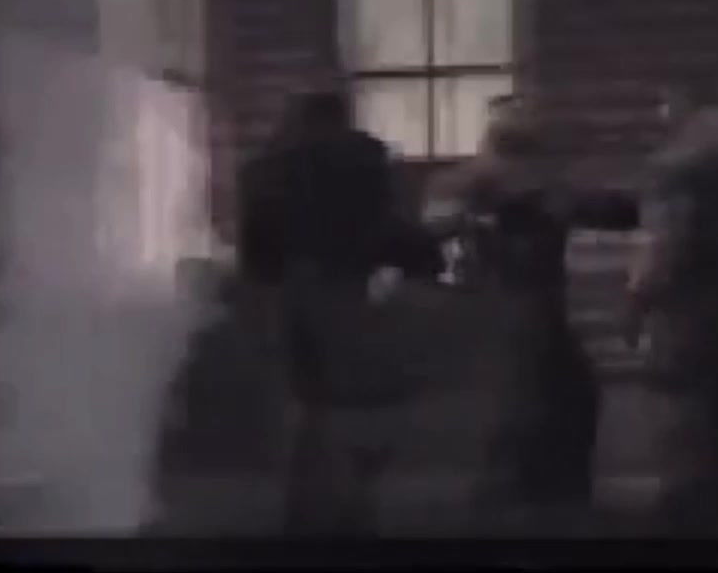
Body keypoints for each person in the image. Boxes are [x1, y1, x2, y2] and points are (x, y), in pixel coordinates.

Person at [423, 95, 640, 533]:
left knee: (570, 396)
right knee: (525, 401)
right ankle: (511, 499)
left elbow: (614, 210)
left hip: (538, 301)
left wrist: (557, 203)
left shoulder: (544, 183)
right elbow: (435, 225)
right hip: (499, 300)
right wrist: (480, 217)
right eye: (515, 116)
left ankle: (552, 496)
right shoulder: (471, 181)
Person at [236, 90, 441, 536]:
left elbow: (256, 247)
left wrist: (262, 284)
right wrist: (420, 260)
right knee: (349, 405)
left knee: (311, 405)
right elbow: (390, 227)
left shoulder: (270, 168)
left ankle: (312, 512)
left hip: (290, 291)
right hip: (349, 288)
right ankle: (348, 510)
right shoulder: (366, 161)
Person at [625, 84, 718, 534]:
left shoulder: (677, 168)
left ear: (677, 110)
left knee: (677, 395)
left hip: (685, 306)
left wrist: (636, 300)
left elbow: (665, 243)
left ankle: (689, 501)